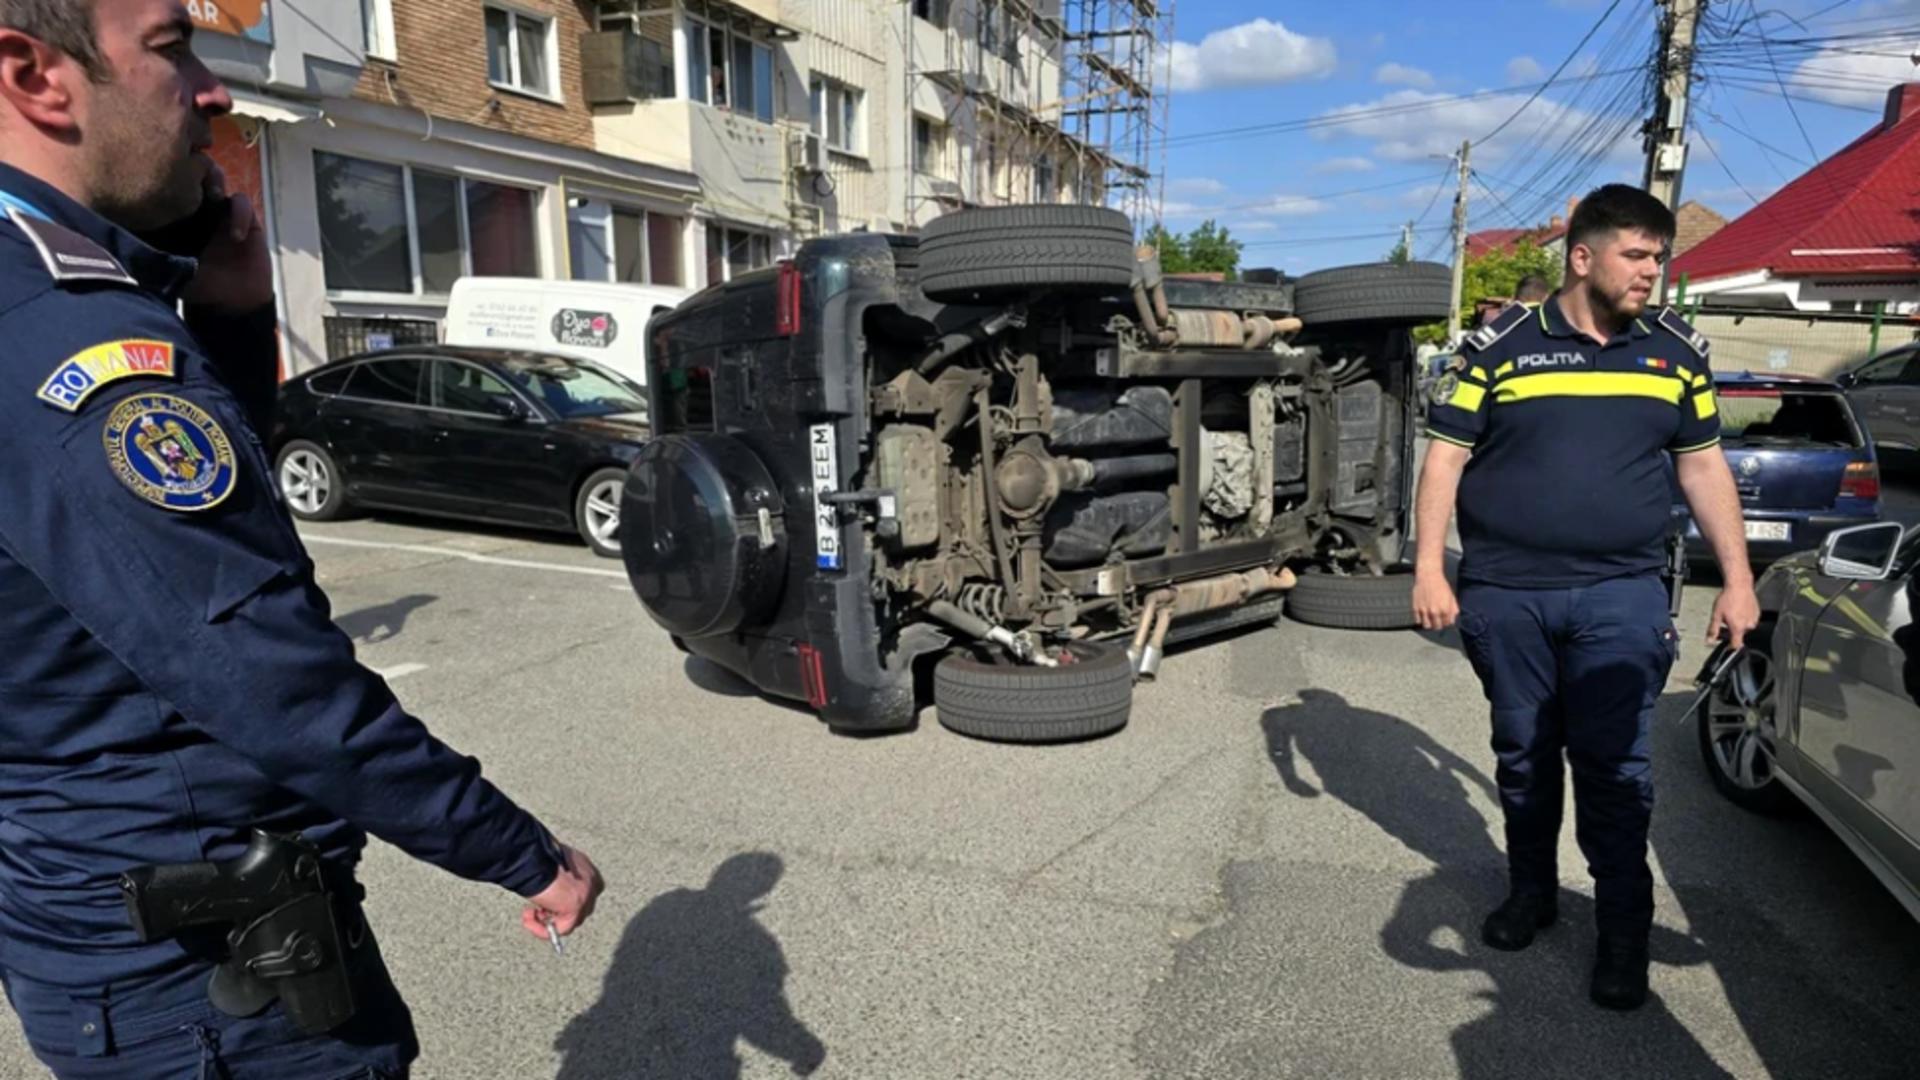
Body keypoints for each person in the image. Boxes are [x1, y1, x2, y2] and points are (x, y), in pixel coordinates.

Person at [0, 2, 603, 1076]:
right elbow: (260, 669)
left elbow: (153, 545)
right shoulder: (61, 333)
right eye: (172, 48)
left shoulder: (51, 301)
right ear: (35, 76)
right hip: (211, 976)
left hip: (110, 931)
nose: (212, 90)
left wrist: (227, 320)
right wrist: (521, 852)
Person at [1411, 184, 1759, 1012]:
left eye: (1658, 259)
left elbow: (1703, 466)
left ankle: (1622, 933)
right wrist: (1428, 568)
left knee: (1615, 767)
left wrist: (1739, 580)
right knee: (1525, 757)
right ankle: (1531, 892)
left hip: (1621, 594)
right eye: (1635, 256)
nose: (1650, 273)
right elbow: (1446, 457)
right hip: (1509, 594)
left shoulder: (1675, 352)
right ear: (1581, 256)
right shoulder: (1500, 347)